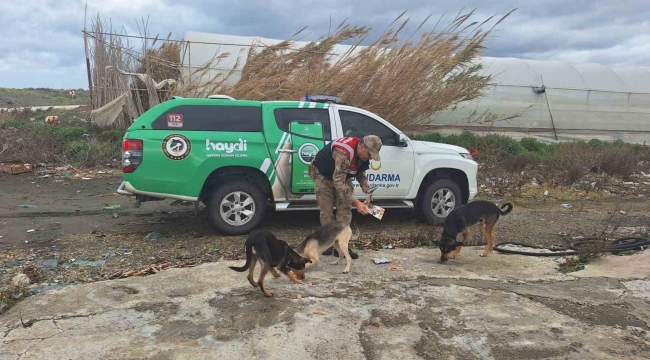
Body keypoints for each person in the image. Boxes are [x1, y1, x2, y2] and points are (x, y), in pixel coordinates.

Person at [308, 135, 383, 259]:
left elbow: (358, 169)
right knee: (326, 212)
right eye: (369, 154)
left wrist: (364, 183)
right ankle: (328, 243)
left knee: (345, 210)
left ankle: (342, 245)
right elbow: (338, 182)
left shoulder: (361, 151)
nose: (369, 158)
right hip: (323, 176)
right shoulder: (343, 152)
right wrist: (357, 202)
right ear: (362, 146)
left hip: (342, 177)